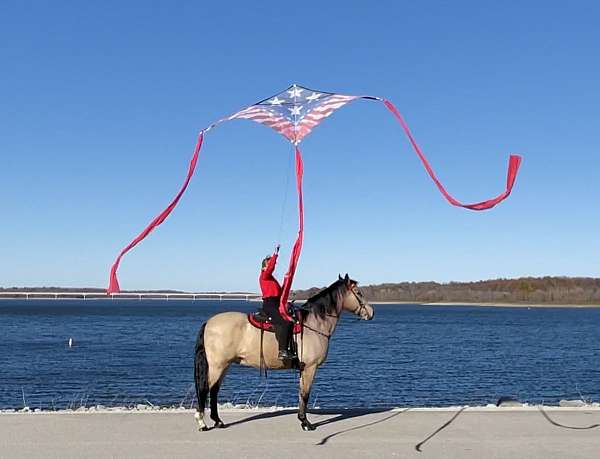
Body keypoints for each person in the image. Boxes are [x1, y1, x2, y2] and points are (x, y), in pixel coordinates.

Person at [259, 245, 294, 361]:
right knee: (285, 323)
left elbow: (280, 292)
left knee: (291, 321)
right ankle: (282, 351)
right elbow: (270, 268)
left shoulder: (271, 279)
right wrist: (275, 254)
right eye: (270, 264)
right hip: (269, 304)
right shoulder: (264, 275)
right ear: (264, 266)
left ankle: (288, 349)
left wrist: (286, 279)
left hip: (275, 303)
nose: (273, 266)